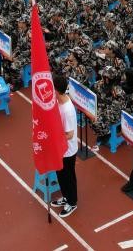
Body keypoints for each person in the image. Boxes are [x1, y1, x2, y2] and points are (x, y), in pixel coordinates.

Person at [51, 74, 79, 218]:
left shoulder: (68, 110)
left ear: (56, 90)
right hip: (59, 148)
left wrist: (53, 136)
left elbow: (69, 134)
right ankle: (66, 197)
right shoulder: (58, 101)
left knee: (68, 177)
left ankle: (72, 202)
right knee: (60, 175)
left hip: (68, 150)